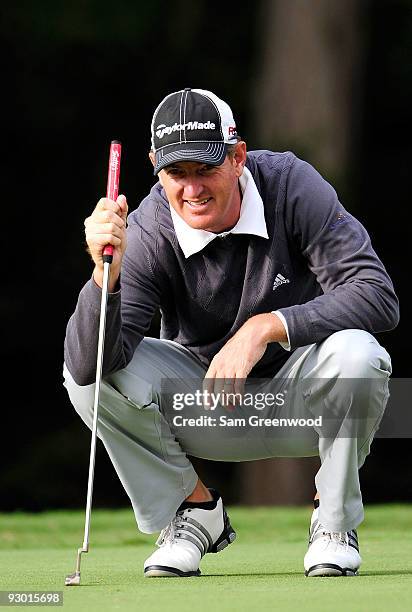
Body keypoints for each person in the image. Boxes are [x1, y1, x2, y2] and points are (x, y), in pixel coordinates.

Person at [63, 88, 399, 578]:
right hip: (206, 407)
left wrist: (267, 327)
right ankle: (194, 511)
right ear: (156, 167)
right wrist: (103, 277)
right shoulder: (150, 230)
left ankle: (333, 521)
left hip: (304, 401)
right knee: (88, 378)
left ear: (238, 156)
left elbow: (376, 293)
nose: (192, 189)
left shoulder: (290, 186)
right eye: (177, 172)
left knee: (360, 355)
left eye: (207, 168)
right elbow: (87, 364)